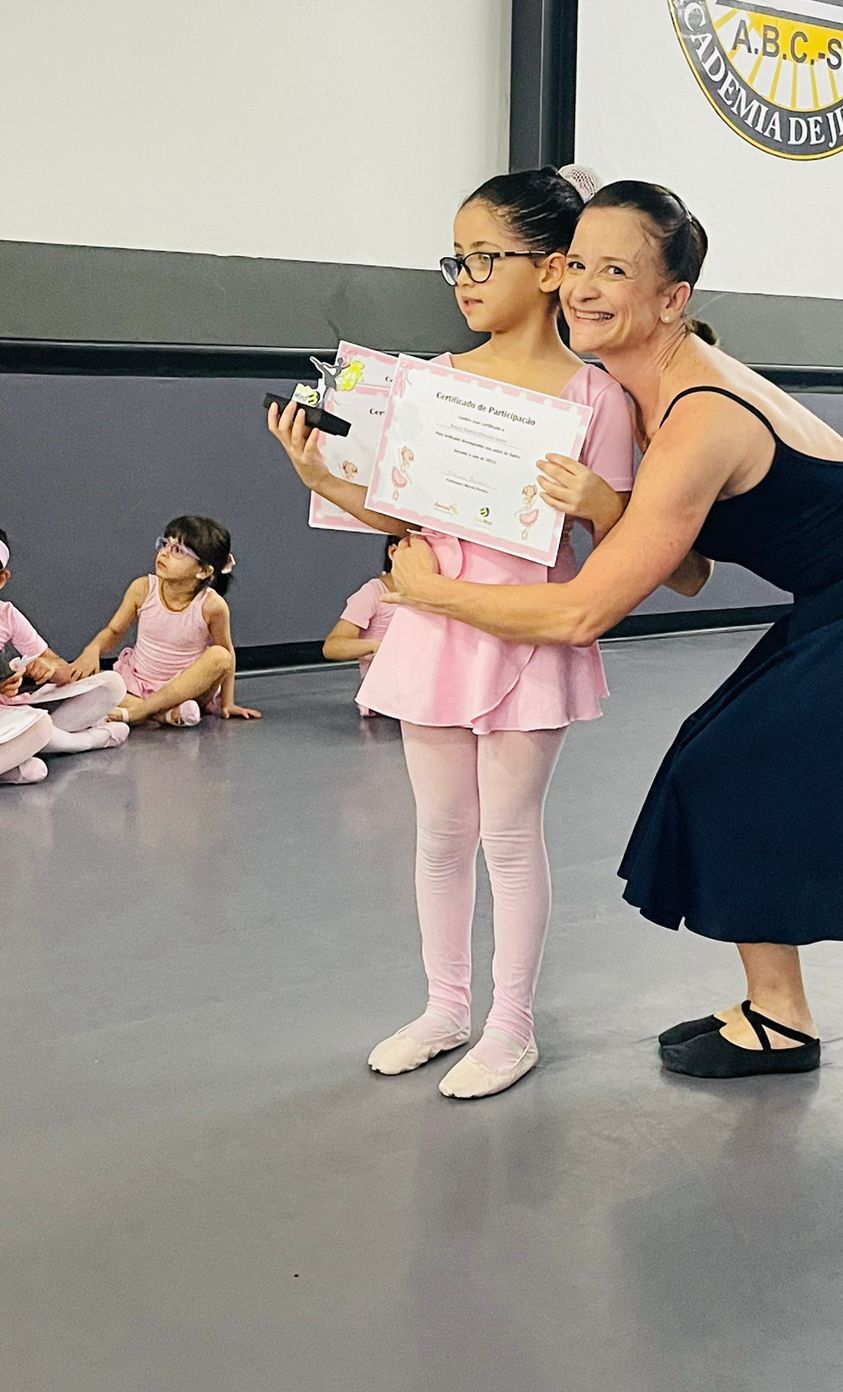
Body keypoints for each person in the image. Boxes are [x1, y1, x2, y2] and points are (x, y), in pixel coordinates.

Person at [299, 178, 843, 1081]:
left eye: (615, 271)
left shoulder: (696, 413)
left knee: (724, 765)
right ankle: (776, 1009)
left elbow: (583, 611)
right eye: (578, 264)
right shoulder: (641, 392)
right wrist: (599, 503)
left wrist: (431, 593)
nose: (584, 287)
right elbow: (687, 568)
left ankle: (779, 1019)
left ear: (671, 298)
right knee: (717, 759)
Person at [269, 166, 637, 1100]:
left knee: (509, 836)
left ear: (550, 268)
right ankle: (445, 1006)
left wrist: (600, 502)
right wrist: (322, 478)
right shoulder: (431, 381)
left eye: (484, 258)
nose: (465, 279)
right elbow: (406, 513)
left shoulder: (596, 397)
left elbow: (630, 542)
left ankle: (512, 1025)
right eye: (456, 261)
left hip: (530, 636)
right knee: (439, 833)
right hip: (432, 629)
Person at [70, 516, 261, 727]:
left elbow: (227, 655)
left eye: (177, 550)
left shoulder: (212, 605)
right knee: (91, 683)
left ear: (203, 571)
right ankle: (163, 714)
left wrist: (227, 702)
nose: (164, 553)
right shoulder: (142, 588)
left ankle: (139, 711)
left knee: (220, 655)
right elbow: (114, 631)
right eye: (165, 544)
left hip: (185, 690)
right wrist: (93, 649)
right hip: (137, 683)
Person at [0, 527, 130, 782]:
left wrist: (43, 670)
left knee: (111, 684)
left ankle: (16, 757)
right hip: (14, 720)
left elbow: (62, 671)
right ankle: (85, 741)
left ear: (2, 579)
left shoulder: (7, 615)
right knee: (39, 729)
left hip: (11, 715)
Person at [322, 536, 404, 717]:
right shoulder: (373, 592)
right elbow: (332, 647)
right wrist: (376, 646)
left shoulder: (434, 593)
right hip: (385, 690)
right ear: (394, 552)